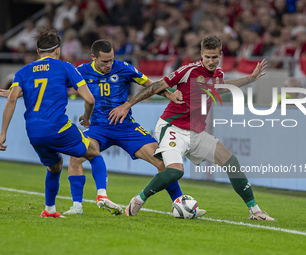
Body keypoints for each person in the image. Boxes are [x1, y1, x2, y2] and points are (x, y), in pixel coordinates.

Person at [109, 35, 276, 221]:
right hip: (172, 127)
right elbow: (156, 86)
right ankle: (138, 200)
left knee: (232, 163)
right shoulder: (189, 70)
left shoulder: (218, 74)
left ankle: (255, 211)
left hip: (196, 133)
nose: (211, 61)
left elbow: (221, 87)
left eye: (215, 57)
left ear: (220, 54)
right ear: (201, 55)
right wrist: (127, 105)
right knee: (174, 172)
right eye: (208, 57)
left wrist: (250, 79)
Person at [62, 39, 206, 217]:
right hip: (99, 127)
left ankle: (179, 204)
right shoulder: (81, 71)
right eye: (105, 61)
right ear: (93, 57)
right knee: (75, 158)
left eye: (111, 60)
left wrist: (169, 94)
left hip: (126, 127)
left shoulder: (123, 67)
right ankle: (77, 206)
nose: (109, 64)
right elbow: (59, 86)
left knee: (163, 163)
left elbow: (148, 84)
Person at [0, 28, 123, 218]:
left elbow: (12, 99)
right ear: (58, 50)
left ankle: (49, 210)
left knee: (55, 165)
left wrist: (2, 133)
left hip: (33, 132)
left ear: (38, 51)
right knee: (93, 152)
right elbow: (90, 99)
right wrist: (87, 116)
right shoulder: (66, 67)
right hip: (58, 127)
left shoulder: (23, 72)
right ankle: (101, 195)